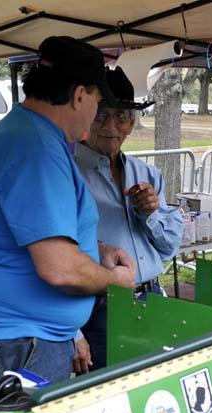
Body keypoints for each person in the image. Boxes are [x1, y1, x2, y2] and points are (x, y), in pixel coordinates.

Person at [0, 36, 137, 395]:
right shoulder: (36, 147)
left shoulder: (23, 130)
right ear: (80, 95)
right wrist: (115, 280)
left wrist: (96, 248)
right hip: (7, 340)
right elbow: (58, 267)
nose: (95, 111)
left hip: (5, 334)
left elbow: (35, 230)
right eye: (96, 100)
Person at [71, 67, 183, 369]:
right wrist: (73, 332)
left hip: (151, 297)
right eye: (101, 115)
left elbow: (169, 246)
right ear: (86, 117)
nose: (111, 126)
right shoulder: (68, 174)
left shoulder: (147, 174)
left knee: (156, 392)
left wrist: (150, 213)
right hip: (101, 307)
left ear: (132, 124)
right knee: (110, 403)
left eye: (121, 116)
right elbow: (56, 253)